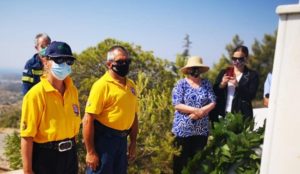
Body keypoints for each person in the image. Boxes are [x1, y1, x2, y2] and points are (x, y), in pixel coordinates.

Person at [20, 41, 81, 174]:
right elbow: (27, 136)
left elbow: (74, 127)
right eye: (59, 59)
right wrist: (28, 170)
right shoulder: (35, 95)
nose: (64, 64)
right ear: (46, 62)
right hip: (46, 158)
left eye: (69, 61)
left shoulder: (73, 91)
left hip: (70, 157)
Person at [83, 45, 138, 174]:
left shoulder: (131, 85)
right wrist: (90, 152)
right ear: (109, 64)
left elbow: (134, 115)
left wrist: (133, 143)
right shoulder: (101, 86)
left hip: (122, 142)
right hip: (104, 142)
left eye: (127, 61)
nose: (124, 64)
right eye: (120, 62)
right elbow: (87, 120)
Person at [171, 56, 216, 174]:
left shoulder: (206, 83)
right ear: (188, 69)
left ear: (201, 70)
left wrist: (200, 113)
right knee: (180, 164)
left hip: (201, 131)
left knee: (196, 163)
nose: (195, 70)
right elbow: (177, 104)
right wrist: (196, 111)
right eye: (193, 68)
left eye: (197, 68)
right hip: (182, 130)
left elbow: (213, 102)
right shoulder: (181, 84)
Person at [210, 45, 259, 123]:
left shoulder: (252, 75)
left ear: (246, 58)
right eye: (234, 59)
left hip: (241, 116)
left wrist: (238, 85)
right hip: (221, 113)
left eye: (240, 59)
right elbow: (214, 92)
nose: (237, 61)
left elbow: (251, 96)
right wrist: (221, 84)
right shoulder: (224, 72)